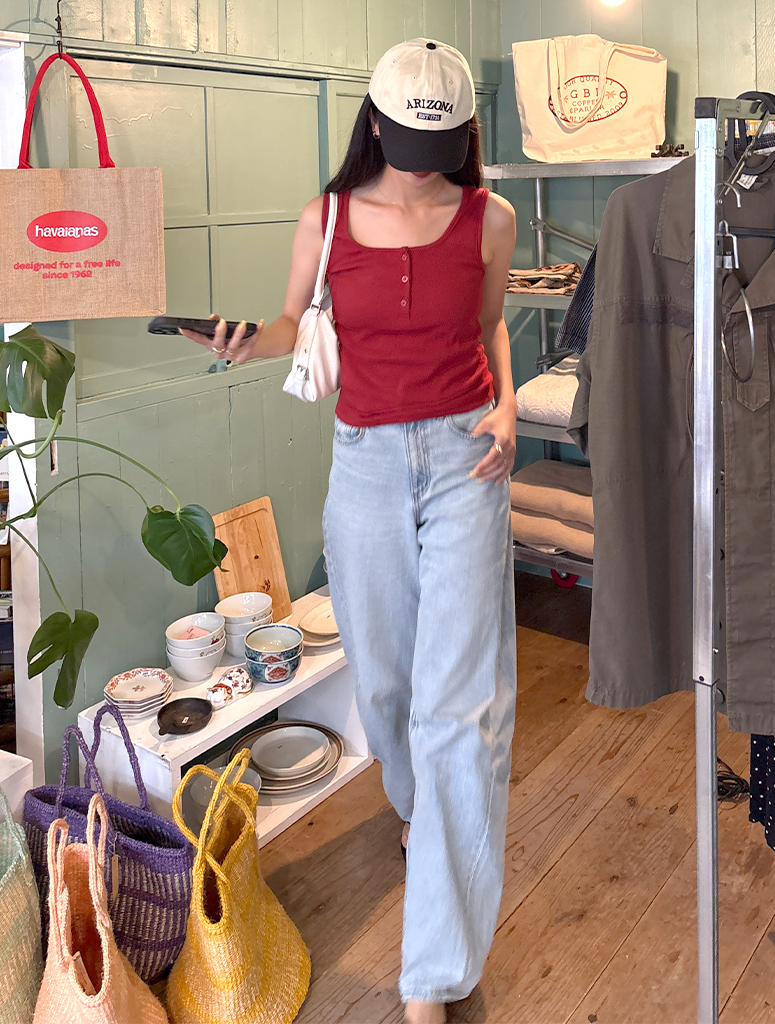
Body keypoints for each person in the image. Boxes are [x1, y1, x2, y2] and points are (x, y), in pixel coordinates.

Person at [183, 37, 517, 1024]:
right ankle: (416, 812)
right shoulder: (325, 218)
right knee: (386, 685)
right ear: (374, 124)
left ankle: (432, 976)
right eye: (410, 143)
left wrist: (504, 405)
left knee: (460, 710)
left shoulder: (490, 218)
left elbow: (487, 325)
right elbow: (295, 324)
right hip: (365, 465)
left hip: (464, 462)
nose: (423, 164)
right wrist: (246, 339)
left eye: (441, 146)